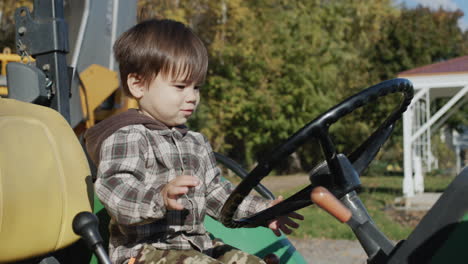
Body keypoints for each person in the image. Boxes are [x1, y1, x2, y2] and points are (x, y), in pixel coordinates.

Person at [84, 18, 303, 264]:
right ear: (138, 85)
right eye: (180, 86)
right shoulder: (128, 136)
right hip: (144, 252)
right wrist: (159, 198)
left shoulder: (196, 143)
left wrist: (263, 211)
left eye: (196, 87)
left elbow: (218, 195)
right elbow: (115, 189)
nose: (192, 97)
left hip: (197, 246)